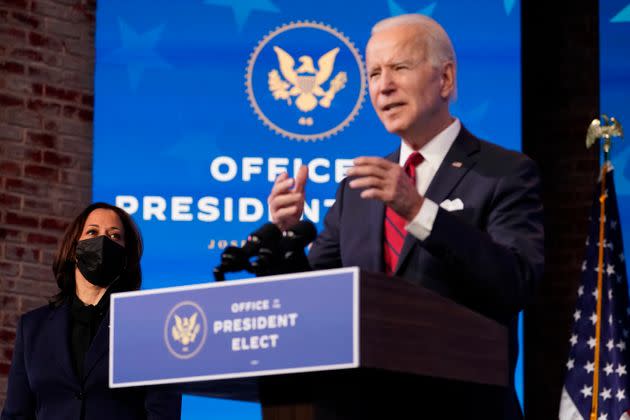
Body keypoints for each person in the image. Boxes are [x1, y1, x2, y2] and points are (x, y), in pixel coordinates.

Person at [268, 14, 543, 419]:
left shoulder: (504, 173)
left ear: (445, 79)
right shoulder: (358, 189)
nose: (383, 86)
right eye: (374, 73)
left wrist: (418, 211)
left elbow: (518, 282)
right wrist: (288, 237)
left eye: (399, 67)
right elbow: (313, 303)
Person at [1, 202, 181, 420]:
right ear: (73, 248)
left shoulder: (152, 327)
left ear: (126, 256)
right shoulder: (32, 327)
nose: (103, 241)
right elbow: (15, 414)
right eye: (92, 232)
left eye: (115, 236)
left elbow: (162, 413)